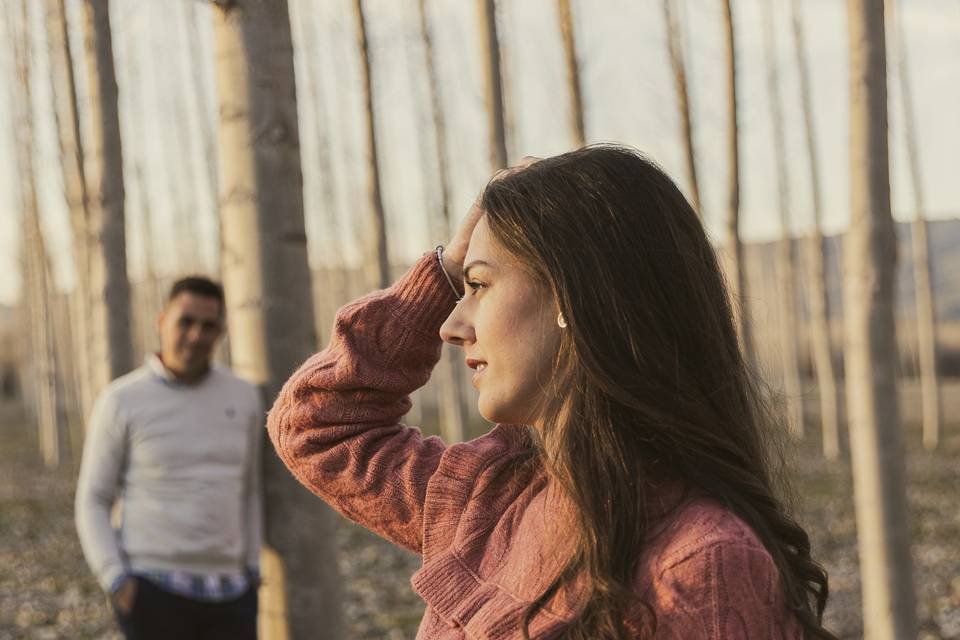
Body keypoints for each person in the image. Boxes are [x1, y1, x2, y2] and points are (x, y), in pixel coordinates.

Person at [267, 145, 835, 639]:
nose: (451, 323)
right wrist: (444, 268)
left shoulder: (703, 563)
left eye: (479, 285)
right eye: (461, 288)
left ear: (574, 298)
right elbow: (316, 423)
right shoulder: (489, 502)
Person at [75, 277, 262, 640]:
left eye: (208, 326)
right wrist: (115, 578)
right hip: (153, 590)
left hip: (233, 594)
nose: (195, 335)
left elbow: (250, 489)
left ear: (221, 331)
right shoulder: (121, 400)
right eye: (185, 322)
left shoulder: (244, 398)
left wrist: (252, 568)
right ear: (162, 321)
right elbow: (93, 498)